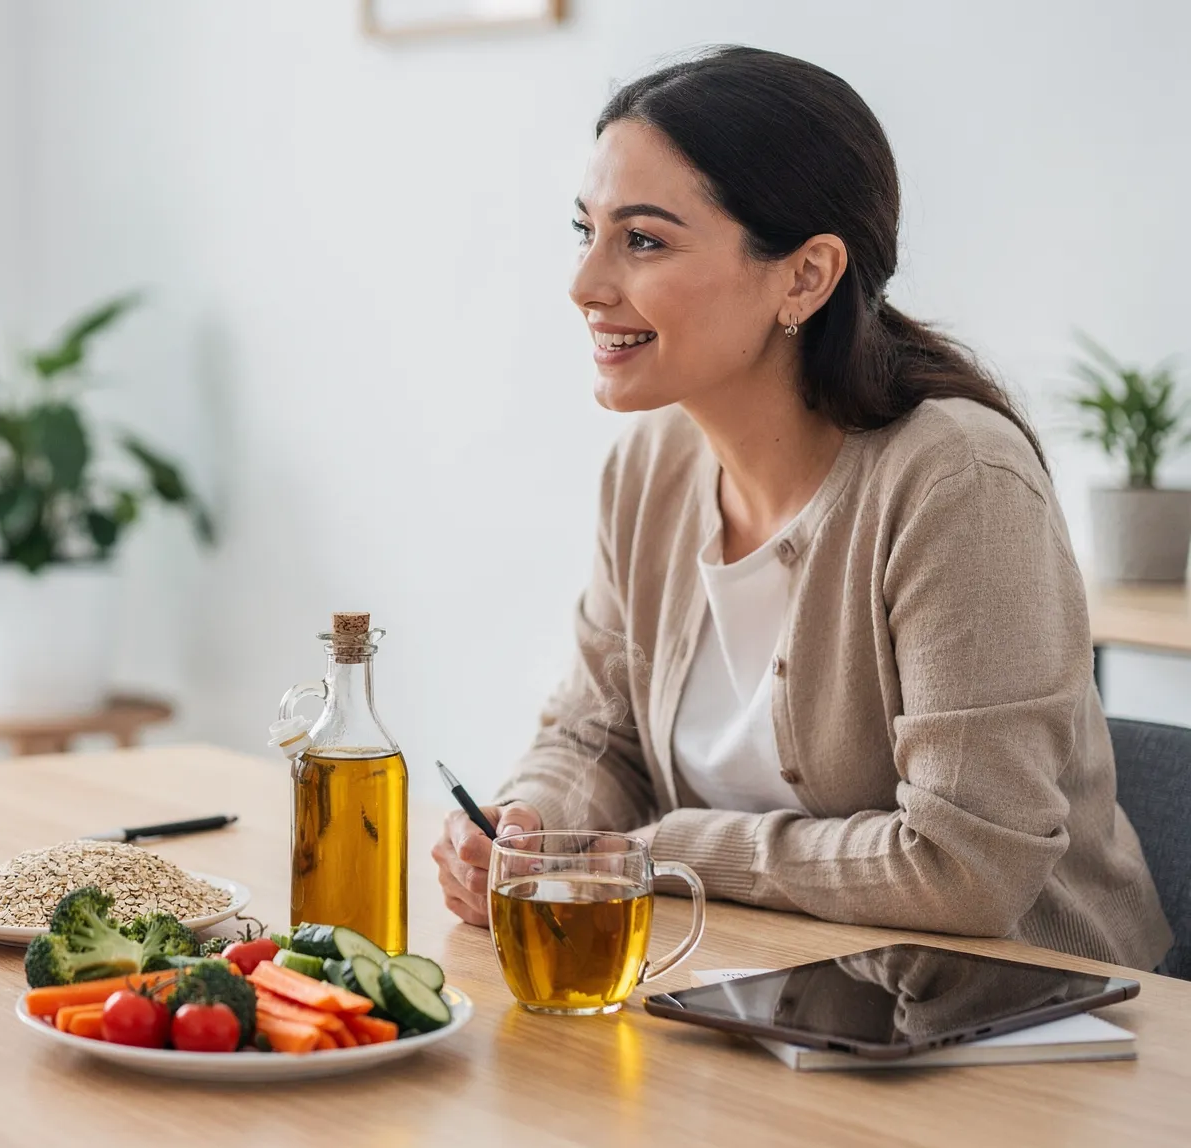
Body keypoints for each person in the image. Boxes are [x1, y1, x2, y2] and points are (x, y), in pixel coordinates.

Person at [431, 47, 1170, 969]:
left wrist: (658, 853)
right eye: (585, 231)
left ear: (806, 275)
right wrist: (533, 822)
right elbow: (597, 733)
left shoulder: (957, 483)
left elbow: (965, 866)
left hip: (1026, 1020)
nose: (585, 283)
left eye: (644, 240)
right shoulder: (650, 468)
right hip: (766, 992)